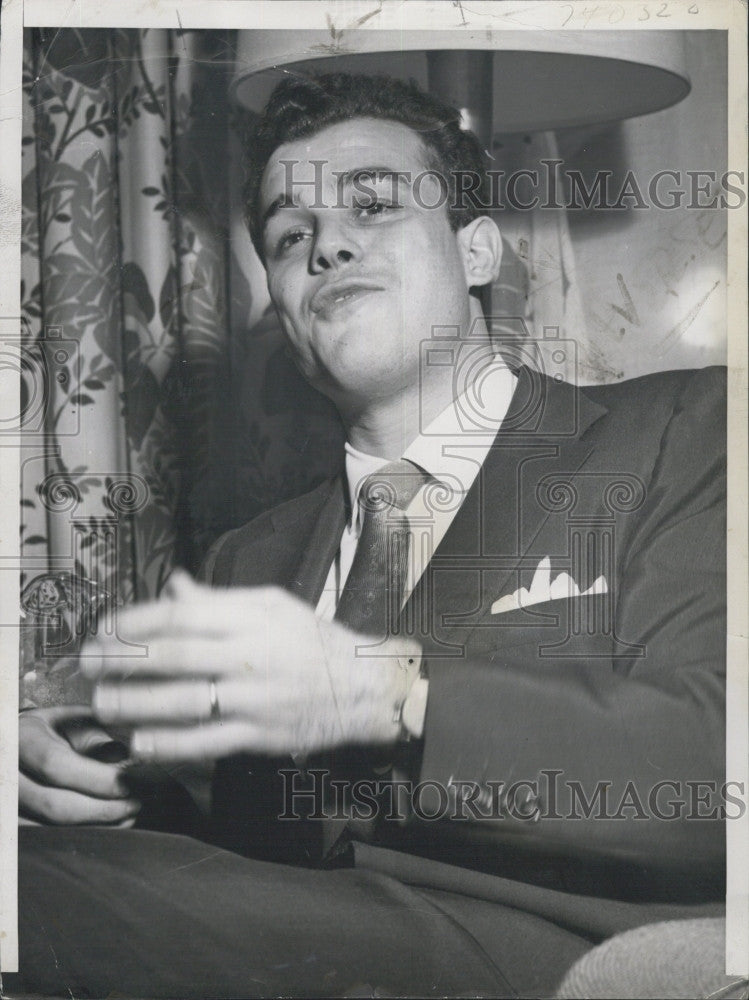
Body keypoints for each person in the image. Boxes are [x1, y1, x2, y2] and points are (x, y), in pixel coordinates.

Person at [12, 73, 727, 998]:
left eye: (372, 204)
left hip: (559, 954)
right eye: (288, 234)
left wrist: (383, 696)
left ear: (477, 250)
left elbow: (715, 772)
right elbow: (248, 862)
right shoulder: (249, 555)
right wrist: (105, 783)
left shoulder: (683, 427)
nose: (327, 243)